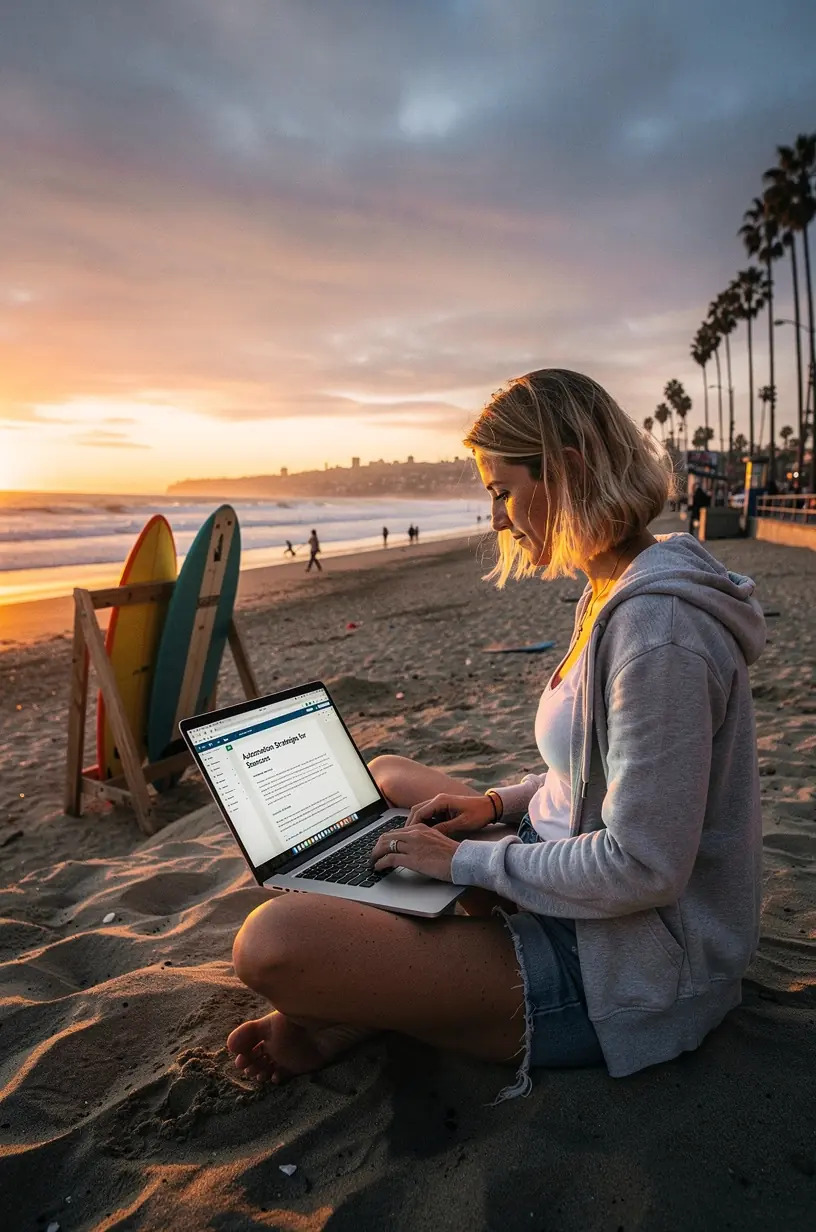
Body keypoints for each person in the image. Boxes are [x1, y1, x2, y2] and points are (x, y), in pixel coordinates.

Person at [227, 368, 765, 1098]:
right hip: (573, 885)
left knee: (271, 943)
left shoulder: (657, 629)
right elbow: (597, 770)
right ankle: (385, 983)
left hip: (628, 966)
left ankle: (362, 1004)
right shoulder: (615, 587)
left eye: (502, 490)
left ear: (569, 470)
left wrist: (466, 866)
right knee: (385, 775)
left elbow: (644, 868)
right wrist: (493, 806)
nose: (499, 518)